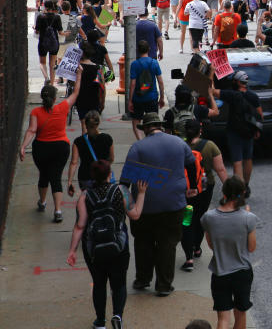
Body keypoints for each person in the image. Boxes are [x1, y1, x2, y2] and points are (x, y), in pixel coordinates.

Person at [66, 161, 148, 329]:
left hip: (94, 249)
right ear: (109, 174)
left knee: (99, 283)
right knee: (119, 283)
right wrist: (141, 193)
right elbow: (135, 215)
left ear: (92, 176)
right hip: (119, 246)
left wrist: (72, 250)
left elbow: (80, 225)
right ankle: (117, 315)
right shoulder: (121, 191)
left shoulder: (85, 196)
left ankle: (100, 321)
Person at [126, 111, 199, 296]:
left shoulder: (138, 148)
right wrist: (193, 186)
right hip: (174, 204)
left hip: (145, 207)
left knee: (143, 242)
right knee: (168, 244)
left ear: (145, 129)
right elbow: (191, 164)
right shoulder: (178, 143)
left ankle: (143, 279)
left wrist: (129, 205)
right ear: (160, 126)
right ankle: (164, 285)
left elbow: (125, 182)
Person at [19, 77, 80, 223]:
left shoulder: (35, 112)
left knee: (44, 175)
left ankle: (43, 201)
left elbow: (31, 130)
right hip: (61, 148)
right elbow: (76, 92)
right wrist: (79, 75)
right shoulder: (63, 107)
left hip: (41, 148)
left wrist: (23, 146)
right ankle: (58, 211)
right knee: (56, 177)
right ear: (54, 98)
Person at [201, 176, 259, 329]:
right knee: (240, 313)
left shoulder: (209, 218)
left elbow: (211, 244)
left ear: (223, 193)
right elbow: (252, 247)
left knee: (223, 318)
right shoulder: (249, 218)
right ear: (243, 193)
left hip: (220, 272)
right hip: (242, 273)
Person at [180, 118, 229, 273]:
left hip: (185, 190)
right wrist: (229, 190)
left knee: (187, 220)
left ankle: (188, 258)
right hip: (205, 188)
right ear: (200, 130)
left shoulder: (179, 146)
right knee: (200, 217)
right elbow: (220, 169)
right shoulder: (210, 146)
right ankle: (197, 247)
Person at [212, 71, 263, 196]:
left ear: (237, 82)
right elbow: (260, 115)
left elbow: (212, 91)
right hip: (249, 132)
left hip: (234, 131)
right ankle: (246, 185)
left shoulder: (231, 95)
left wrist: (210, 74)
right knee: (248, 158)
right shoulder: (253, 96)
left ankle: (239, 189)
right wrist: (257, 130)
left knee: (237, 160)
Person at [67, 111, 114, 195]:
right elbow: (111, 158)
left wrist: (70, 182)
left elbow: (74, 162)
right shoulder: (108, 139)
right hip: (103, 176)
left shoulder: (78, 141)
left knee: (88, 201)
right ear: (98, 123)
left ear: (85, 124)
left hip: (85, 177)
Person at [128, 39, 165, 141]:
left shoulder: (135, 64)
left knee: (136, 120)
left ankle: (140, 140)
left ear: (138, 50)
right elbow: (160, 82)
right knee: (153, 121)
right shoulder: (154, 63)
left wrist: (130, 100)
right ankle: (152, 140)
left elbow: (133, 84)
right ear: (149, 49)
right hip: (152, 97)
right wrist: (161, 97)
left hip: (138, 98)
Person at [34, 0, 63, 83]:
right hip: (54, 43)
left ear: (45, 7)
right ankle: (52, 85)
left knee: (42, 63)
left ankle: (46, 78)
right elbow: (60, 32)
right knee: (52, 64)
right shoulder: (57, 17)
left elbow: (37, 31)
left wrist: (35, 28)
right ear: (53, 7)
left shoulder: (40, 16)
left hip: (43, 42)